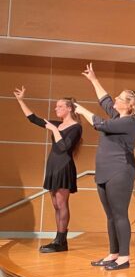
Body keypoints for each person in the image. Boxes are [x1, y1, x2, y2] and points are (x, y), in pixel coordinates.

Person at [74, 63, 135, 271]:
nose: (116, 100)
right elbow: (105, 100)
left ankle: (124, 257)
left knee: (120, 214)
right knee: (110, 215)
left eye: (120, 98)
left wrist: (82, 110)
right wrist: (94, 79)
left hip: (121, 170)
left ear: (129, 105)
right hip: (104, 170)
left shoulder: (130, 122)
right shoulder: (116, 115)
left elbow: (100, 125)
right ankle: (113, 253)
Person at [13, 87, 83, 253]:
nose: (56, 108)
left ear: (69, 108)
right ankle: (58, 240)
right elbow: (33, 119)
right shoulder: (58, 124)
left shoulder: (76, 127)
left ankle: (61, 240)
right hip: (53, 165)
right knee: (55, 205)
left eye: (59, 106)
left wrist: (53, 130)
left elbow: (64, 146)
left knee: (61, 203)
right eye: (56, 106)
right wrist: (21, 100)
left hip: (64, 166)